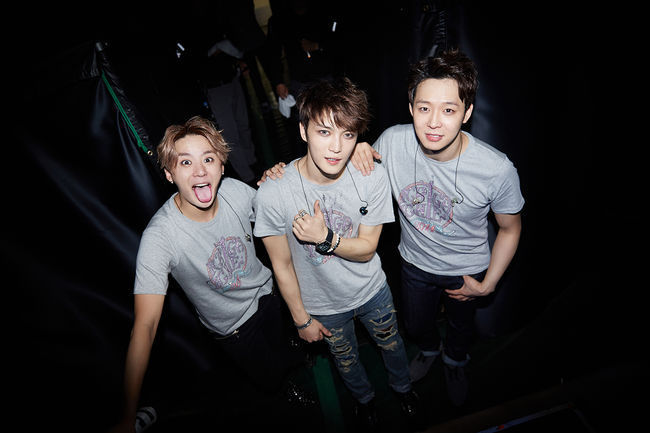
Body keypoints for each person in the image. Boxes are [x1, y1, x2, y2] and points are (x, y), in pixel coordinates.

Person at [110, 116, 312, 433]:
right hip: (234, 329)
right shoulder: (160, 237)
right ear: (169, 174)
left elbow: (282, 215)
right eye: (185, 162)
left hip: (269, 297)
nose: (200, 171)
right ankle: (285, 391)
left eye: (207, 159)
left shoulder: (235, 191)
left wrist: (276, 181)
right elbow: (145, 327)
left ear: (221, 165)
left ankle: (292, 366)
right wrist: (127, 414)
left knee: (286, 350)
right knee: (269, 378)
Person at [350, 49, 525, 406]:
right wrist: (355, 152)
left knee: (461, 327)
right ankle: (430, 350)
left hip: (466, 268)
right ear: (411, 107)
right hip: (414, 262)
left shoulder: (496, 169)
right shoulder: (392, 142)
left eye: (448, 110)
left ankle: (455, 360)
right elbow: (349, 186)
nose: (433, 123)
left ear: (467, 113)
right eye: (424, 108)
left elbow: (510, 229)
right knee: (416, 326)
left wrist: (488, 284)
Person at [253, 78, 419, 430]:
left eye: (347, 134)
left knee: (392, 345)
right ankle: (365, 401)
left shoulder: (372, 176)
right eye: (324, 132)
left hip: (372, 291)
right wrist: (301, 319)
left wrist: (324, 237)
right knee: (346, 361)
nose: (337, 147)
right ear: (303, 131)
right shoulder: (272, 192)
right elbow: (281, 265)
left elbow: (368, 248)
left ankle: (403, 389)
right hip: (323, 305)